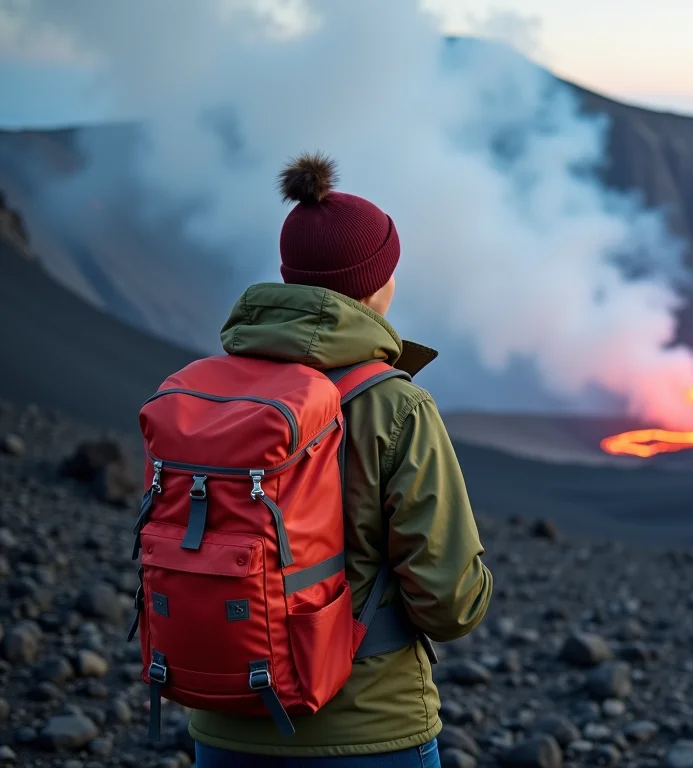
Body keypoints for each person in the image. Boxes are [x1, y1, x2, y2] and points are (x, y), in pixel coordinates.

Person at [190, 153, 493, 767]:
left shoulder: (209, 393)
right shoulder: (395, 406)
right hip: (367, 728)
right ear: (376, 284)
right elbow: (449, 601)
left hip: (224, 724)